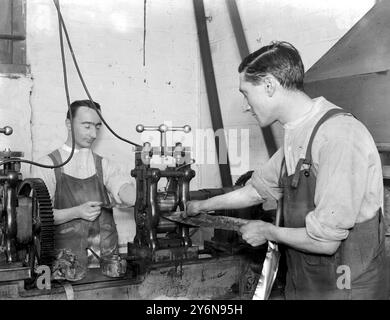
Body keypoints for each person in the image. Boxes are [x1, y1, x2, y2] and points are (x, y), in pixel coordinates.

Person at [185, 41, 388, 299]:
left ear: (269, 85)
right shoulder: (298, 135)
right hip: (308, 281)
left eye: (246, 93)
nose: (245, 105)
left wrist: (267, 231)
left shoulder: (338, 135)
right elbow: (256, 191)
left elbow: (326, 241)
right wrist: (201, 206)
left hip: (347, 285)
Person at [33, 99, 135, 270]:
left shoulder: (104, 165)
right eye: (87, 126)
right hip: (65, 265)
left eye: (97, 127)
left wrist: (137, 197)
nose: (93, 134)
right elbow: (39, 218)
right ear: (68, 124)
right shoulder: (46, 165)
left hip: (107, 264)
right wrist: (76, 212)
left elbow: (121, 185)